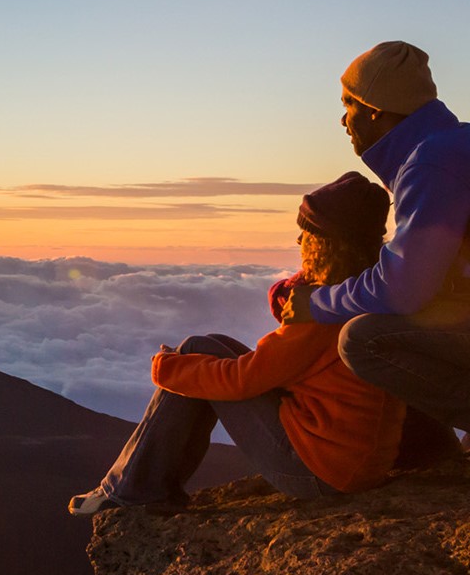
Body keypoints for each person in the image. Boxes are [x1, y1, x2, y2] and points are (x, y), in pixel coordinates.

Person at [69, 172, 404, 514]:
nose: (299, 240)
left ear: (325, 245)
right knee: (204, 346)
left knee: (190, 359)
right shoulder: (363, 295)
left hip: (320, 471)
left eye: (307, 233)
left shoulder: (323, 311)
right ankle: (134, 485)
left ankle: (129, 491)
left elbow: (242, 380)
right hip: (354, 461)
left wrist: (165, 368)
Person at [283, 41, 470, 434]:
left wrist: (315, 303)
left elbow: (403, 290)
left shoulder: (431, 164)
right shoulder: (453, 146)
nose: (342, 119)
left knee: (363, 339)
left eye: (348, 104)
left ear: (375, 109)